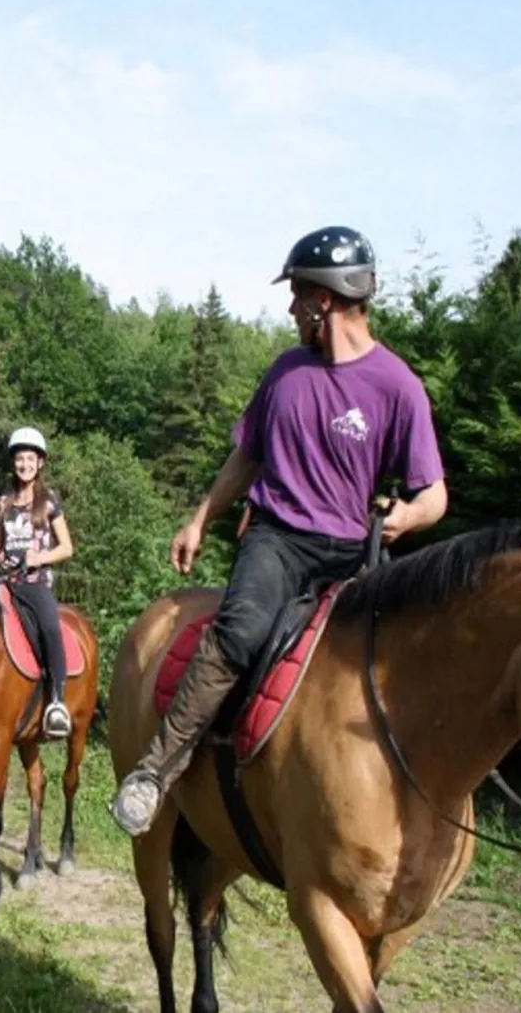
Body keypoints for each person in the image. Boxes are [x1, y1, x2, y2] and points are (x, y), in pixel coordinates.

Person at [109, 225, 449, 837]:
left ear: (325, 302)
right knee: (239, 631)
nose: (291, 309)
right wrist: (198, 519)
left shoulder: (398, 387)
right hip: (278, 539)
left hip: (353, 551)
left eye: (297, 296)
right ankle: (157, 769)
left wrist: (406, 517)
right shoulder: (286, 373)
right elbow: (246, 459)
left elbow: (435, 495)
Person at [0, 427, 75, 740]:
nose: (24, 464)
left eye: (30, 458)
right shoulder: (3, 503)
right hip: (6, 582)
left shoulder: (49, 502)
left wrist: (39, 558)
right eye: (19, 458)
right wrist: (0, 558)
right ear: (13, 463)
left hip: (36, 584)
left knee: (51, 628)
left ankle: (57, 702)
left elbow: (67, 547)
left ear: (40, 463)